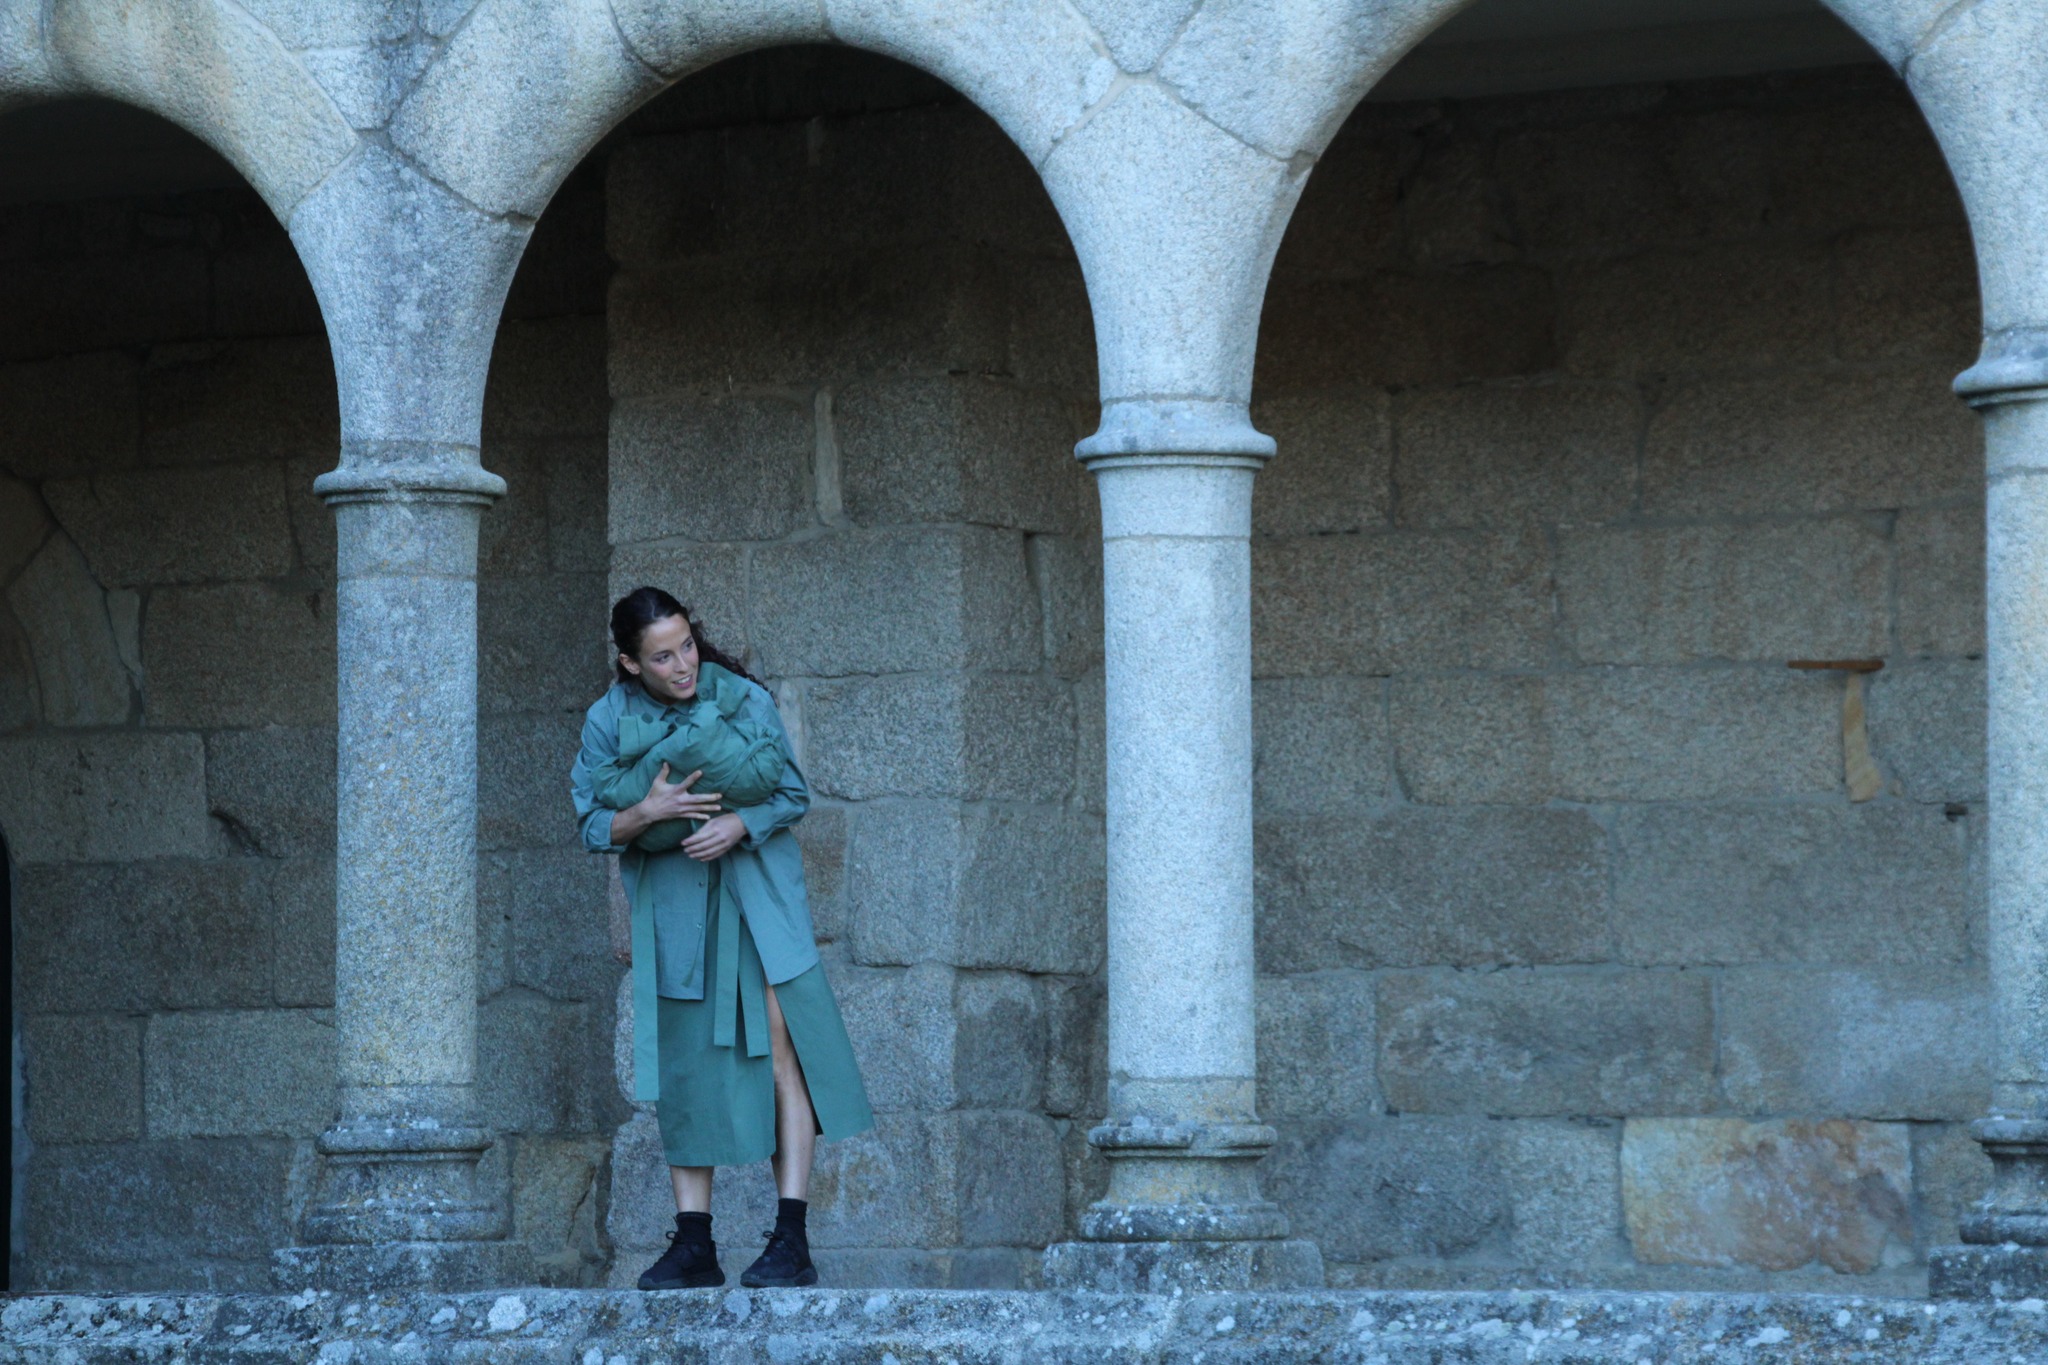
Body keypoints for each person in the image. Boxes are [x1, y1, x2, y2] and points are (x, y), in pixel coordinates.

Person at [571, 586, 874, 1290]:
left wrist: (740, 824)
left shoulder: (740, 697)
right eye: (662, 655)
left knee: (779, 1057)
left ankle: (790, 1240)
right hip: (676, 906)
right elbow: (590, 822)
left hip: (758, 896)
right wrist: (646, 810)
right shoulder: (607, 719)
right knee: (685, 1066)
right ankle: (695, 1244)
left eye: (686, 645)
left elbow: (793, 792)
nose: (681, 664)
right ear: (629, 662)